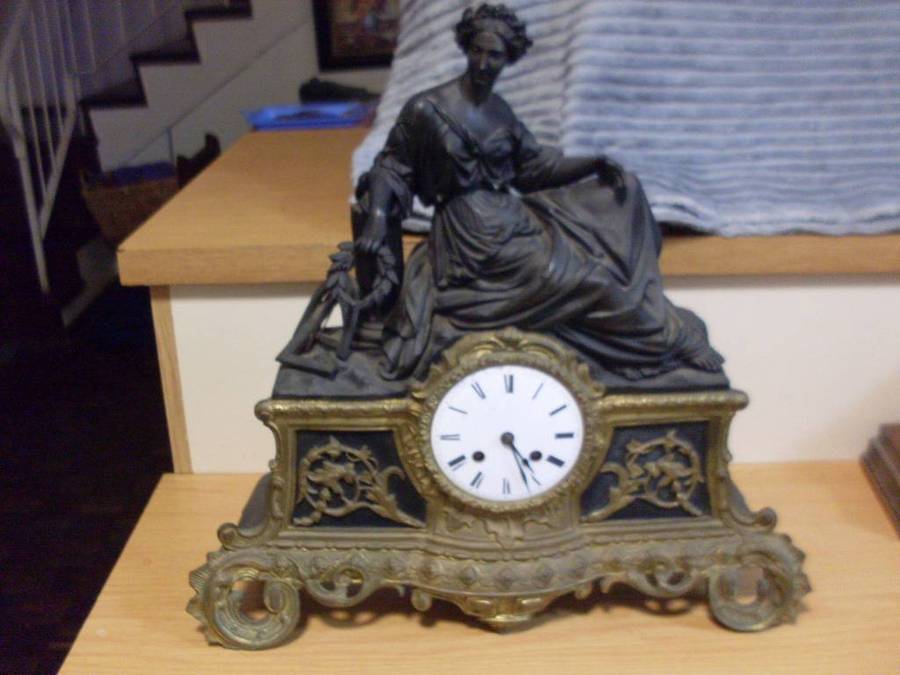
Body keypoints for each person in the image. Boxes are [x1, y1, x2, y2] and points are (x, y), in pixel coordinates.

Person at [283, 3, 725, 391]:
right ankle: (663, 339)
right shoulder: (427, 109)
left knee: (596, 253)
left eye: (494, 54)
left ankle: (652, 334)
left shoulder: (501, 113)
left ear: (508, 59)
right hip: (470, 240)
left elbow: (533, 170)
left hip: (513, 220)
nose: (482, 61)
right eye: (476, 49)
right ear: (466, 48)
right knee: (587, 281)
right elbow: (391, 167)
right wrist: (379, 214)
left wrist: (594, 164)